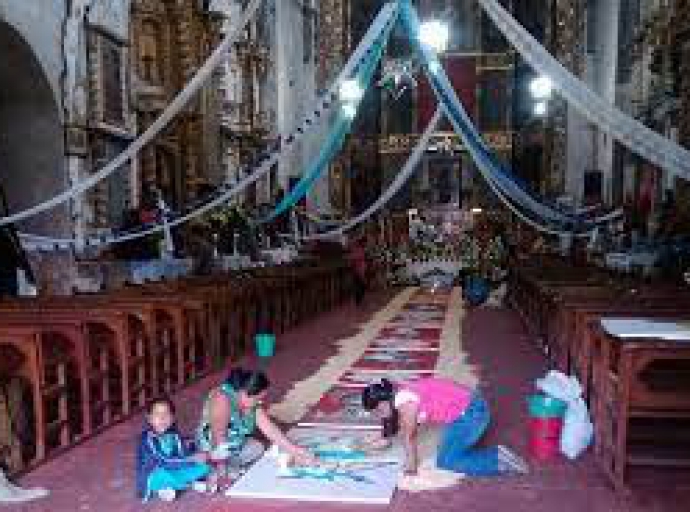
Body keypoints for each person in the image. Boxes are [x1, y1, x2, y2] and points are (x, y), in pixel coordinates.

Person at [360, 378, 527, 477]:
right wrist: (383, 438)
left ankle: (496, 459)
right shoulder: (400, 393)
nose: (379, 415)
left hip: (471, 415)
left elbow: (408, 435)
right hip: (471, 407)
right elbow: (396, 425)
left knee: (447, 461)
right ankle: (496, 457)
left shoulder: (405, 403)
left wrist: (411, 467)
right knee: (445, 447)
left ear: (383, 402)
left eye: (378, 411)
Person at [196, 368, 316, 478]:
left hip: (234, 444)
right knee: (219, 462)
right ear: (243, 393)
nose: (260, 402)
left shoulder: (250, 402)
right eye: (258, 398)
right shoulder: (221, 401)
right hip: (214, 448)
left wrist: (295, 450)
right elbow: (218, 441)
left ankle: (230, 463)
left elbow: (269, 429)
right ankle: (214, 465)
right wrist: (222, 466)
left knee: (258, 448)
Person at [136, 398, 213, 503]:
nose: (162, 418)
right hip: (155, 473)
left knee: (203, 467)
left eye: (166, 414)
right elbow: (164, 461)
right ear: (149, 418)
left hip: (173, 468)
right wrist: (191, 459)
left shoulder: (174, 435)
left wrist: (196, 456)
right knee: (162, 475)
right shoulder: (147, 439)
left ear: (172, 418)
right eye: (157, 414)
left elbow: (182, 454)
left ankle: (175, 488)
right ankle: (190, 484)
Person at [348, 237, 368, 307]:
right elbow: (352, 259)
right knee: (360, 285)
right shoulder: (358, 250)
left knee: (360, 285)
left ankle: (359, 301)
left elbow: (352, 259)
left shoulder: (360, 250)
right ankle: (358, 301)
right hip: (357, 270)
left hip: (359, 270)